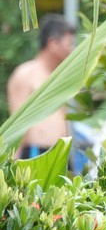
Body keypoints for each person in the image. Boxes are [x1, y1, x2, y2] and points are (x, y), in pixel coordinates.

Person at [11, 14, 76, 160]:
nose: (71, 49)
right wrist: (13, 161)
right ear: (53, 43)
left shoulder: (60, 78)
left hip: (60, 155)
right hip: (35, 153)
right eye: (69, 43)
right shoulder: (26, 74)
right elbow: (16, 122)